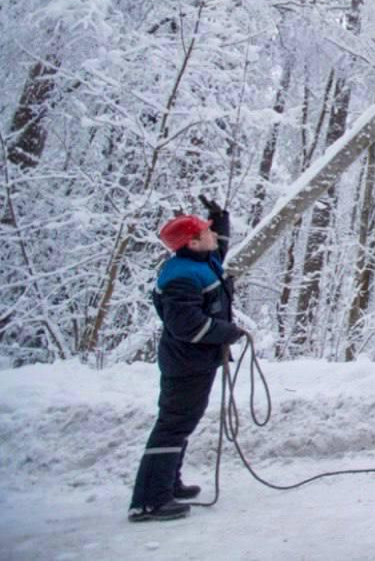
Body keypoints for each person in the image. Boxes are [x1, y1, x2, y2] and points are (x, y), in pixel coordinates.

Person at [128, 196, 248, 522]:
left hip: (196, 361)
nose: (213, 235)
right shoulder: (182, 276)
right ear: (192, 242)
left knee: (182, 423)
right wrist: (227, 332)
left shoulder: (199, 262)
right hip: (186, 362)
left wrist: (219, 217)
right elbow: (188, 326)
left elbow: (218, 249)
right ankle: (150, 500)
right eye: (206, 231)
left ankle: (168, 484)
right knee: (173, 425)